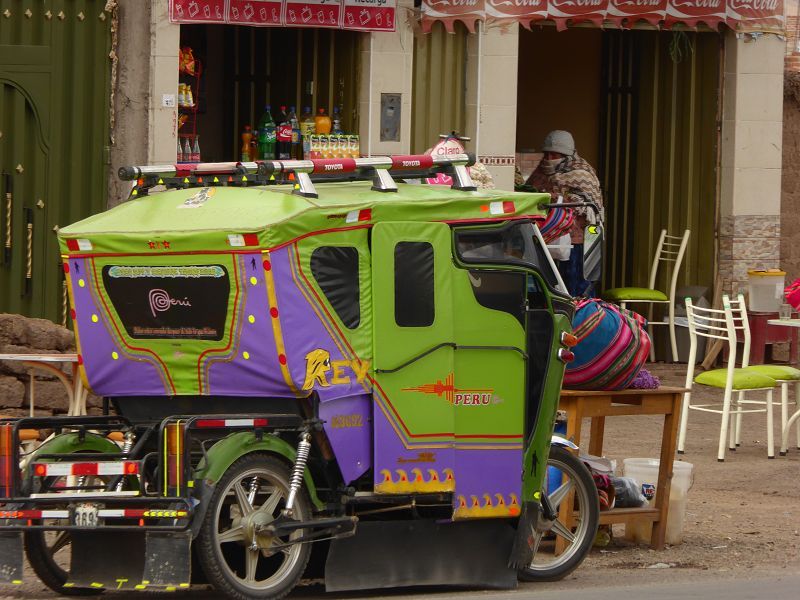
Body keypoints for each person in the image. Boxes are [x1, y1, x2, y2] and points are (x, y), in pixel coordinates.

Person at [526, 130, 603, 297]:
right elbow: (530, 191)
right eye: (547, 154)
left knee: (577, 287)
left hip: (579, 241)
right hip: (548, 239)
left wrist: (557, 198)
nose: (549, 159)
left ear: (567, 155)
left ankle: (581, 312)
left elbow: (590, 207)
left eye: (554, 155)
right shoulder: (540, 172)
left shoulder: (582, 173)